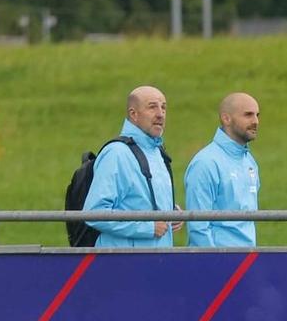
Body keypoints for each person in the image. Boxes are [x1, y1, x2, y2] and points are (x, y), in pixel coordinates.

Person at [83, 84, 176, 248]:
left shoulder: (157, 153)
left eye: (163, 108)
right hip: (122, 263)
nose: (160, 114)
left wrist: (172, 213)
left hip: (157, 260)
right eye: (152, 107)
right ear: (133, 114)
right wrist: (148, 227)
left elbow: (142, 201)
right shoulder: (116, 153)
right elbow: (94, 213)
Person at [184, 92, 261, 248]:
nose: (256, 121)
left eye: (257, 115)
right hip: (217, 263)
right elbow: (198, 227)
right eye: (248, 115)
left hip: (246, 260)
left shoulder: (249, 161)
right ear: (226, 119)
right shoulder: (205, 163)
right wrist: (215, 263)